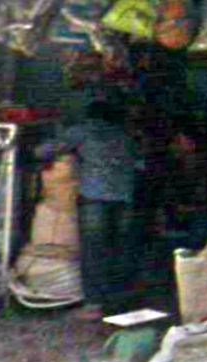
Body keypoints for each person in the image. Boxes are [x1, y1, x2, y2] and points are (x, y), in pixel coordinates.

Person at [35, 88, 145, 320]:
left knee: (94, 250)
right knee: (121, 248)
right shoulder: (125, 135)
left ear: (89, 116)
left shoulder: (82, 131)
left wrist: (31, 148)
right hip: (125, 196)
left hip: (95, 197)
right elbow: (140, 163)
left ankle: (94, 305)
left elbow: (46, 150)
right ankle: (120, 302)